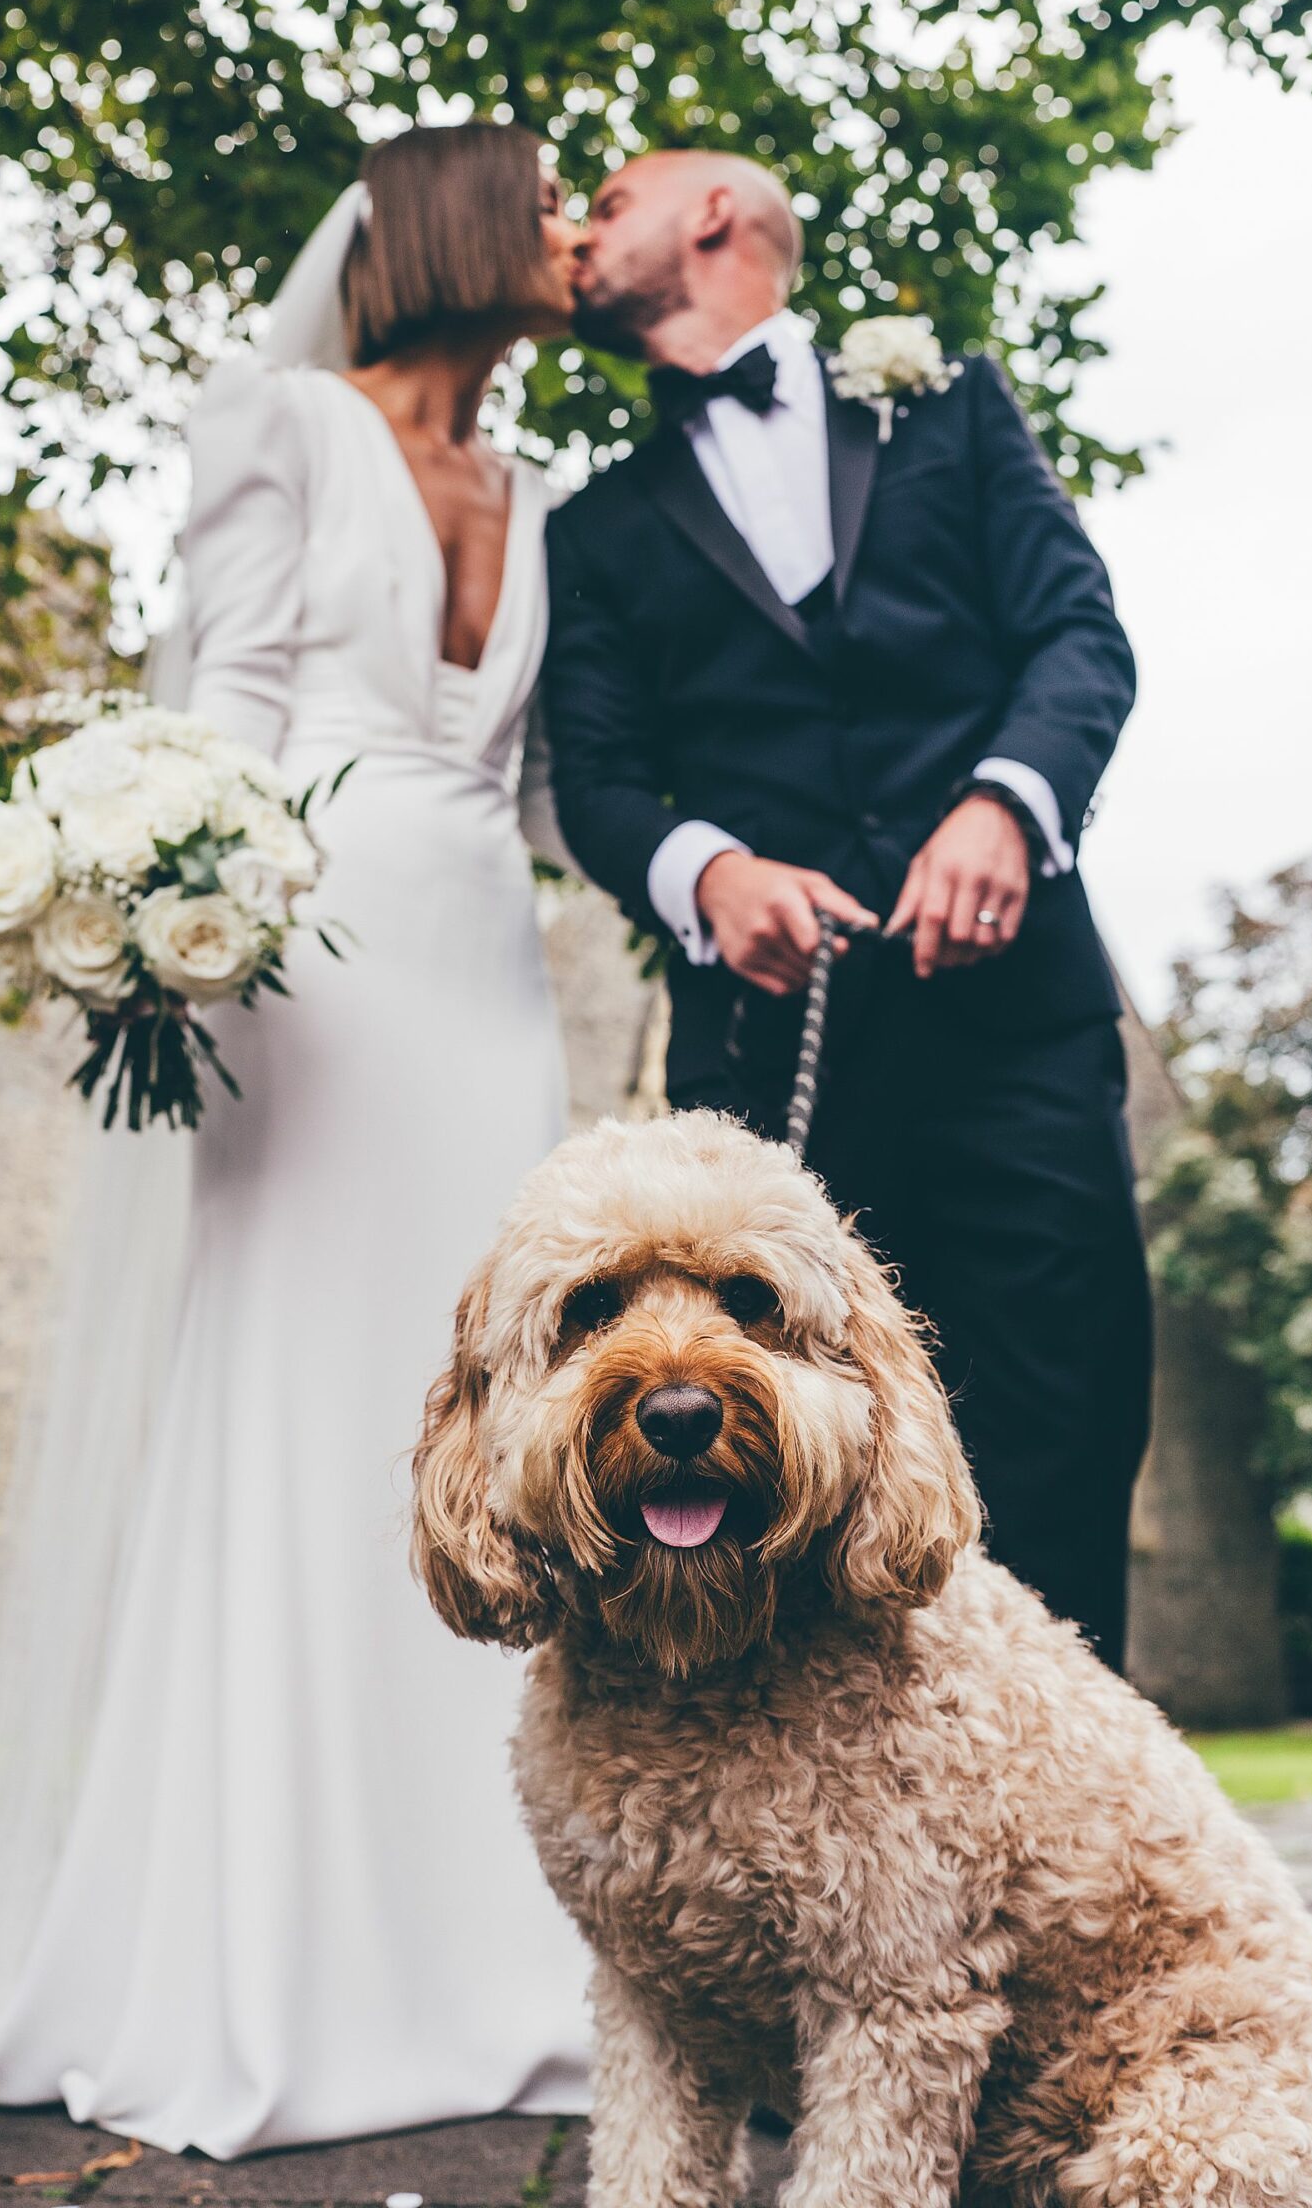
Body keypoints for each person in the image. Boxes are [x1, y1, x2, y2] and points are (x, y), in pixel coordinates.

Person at [0, 123, 592, 2157]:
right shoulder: (278, 420)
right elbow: (221, 703)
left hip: (488, 978)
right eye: (547, 202)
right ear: (459, 228)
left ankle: (502, 1938)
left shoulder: (543, 484)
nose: (570, 239)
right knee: (307, 1412)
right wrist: (161, 914)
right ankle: (269, 1957)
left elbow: (545, 782)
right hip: (311, 966)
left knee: (488, 1417)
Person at [542, 148, 1151, 1672]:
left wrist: (1007, 802)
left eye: (607, 202)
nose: (575, 234)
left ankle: (1070, 1848)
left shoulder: (949, 412)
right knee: (771, 1458)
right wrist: (710, 870)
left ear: (715, 217)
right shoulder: (595, 529)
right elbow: (599, 779)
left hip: (1019, 1035)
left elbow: (1080, 637)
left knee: (1061, 1428)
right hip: (773, 1076)